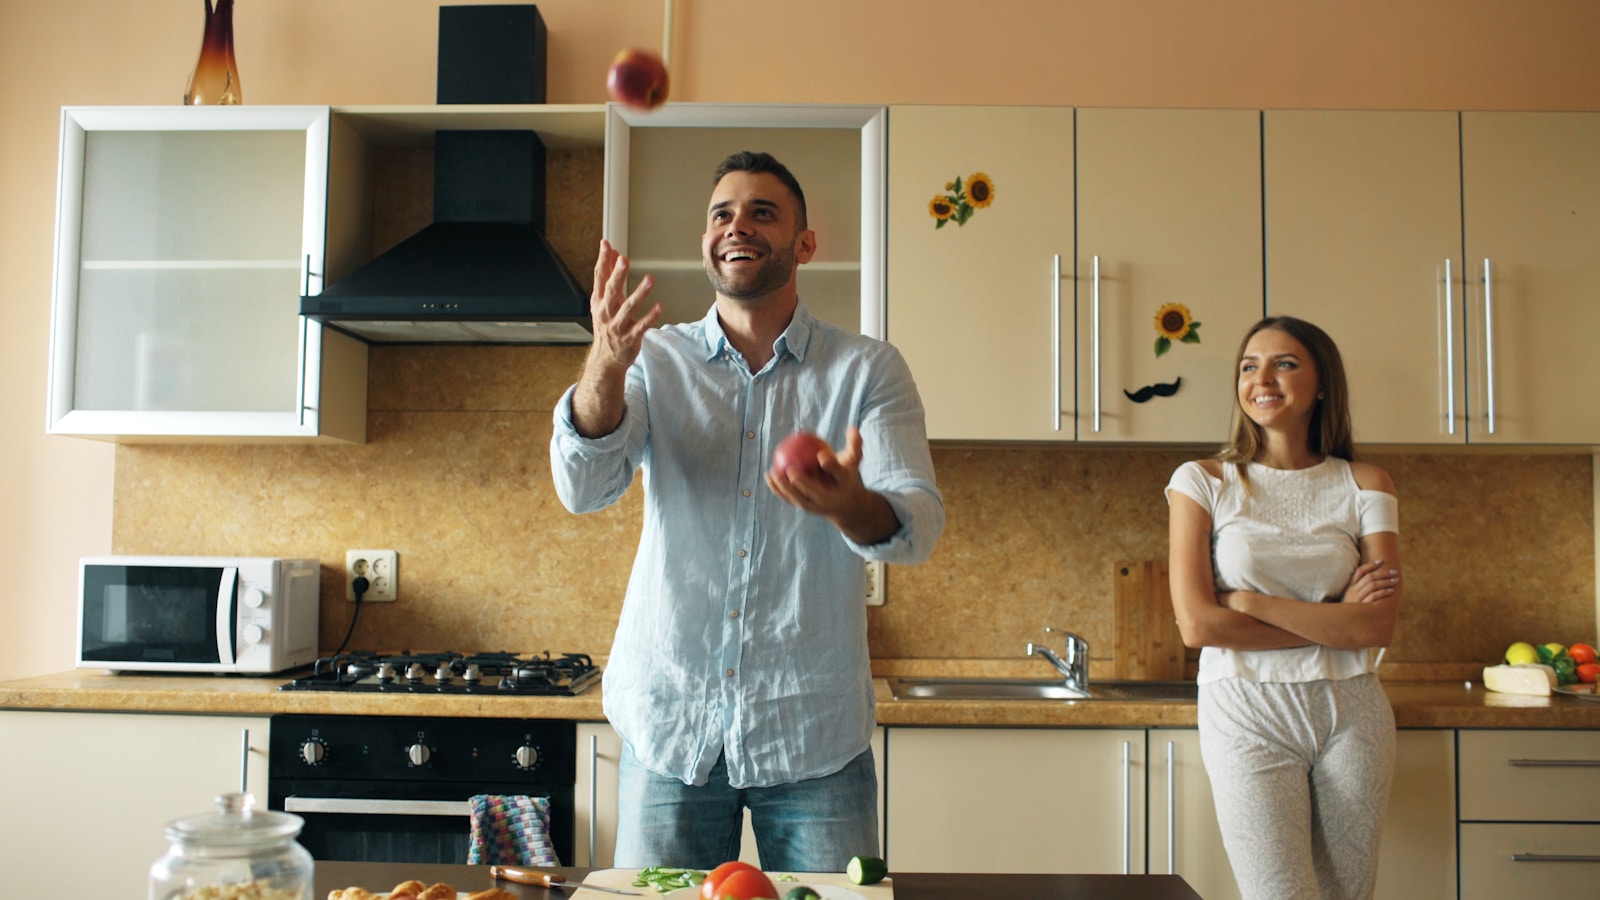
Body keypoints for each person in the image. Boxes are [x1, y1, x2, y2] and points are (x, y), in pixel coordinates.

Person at [549, 151, 944, 871]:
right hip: (670, 727)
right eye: (722, 213)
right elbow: (585, 486)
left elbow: (915, 525)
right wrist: (606, 359)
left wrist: (852, 505)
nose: (739, 225)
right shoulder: (651, 360)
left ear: (805, 244)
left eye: (764, 211)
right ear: (706, 240)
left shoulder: (867, 370)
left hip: (813, 736)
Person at [1165, 316, 1402, 900]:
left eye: (1285, 363)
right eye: (1249, 366)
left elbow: (1377, 625)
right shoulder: (1202, 482)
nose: (1262, 378)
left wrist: (1247, 603)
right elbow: (1198, 625)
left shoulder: (1367, 483)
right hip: (1245, 711)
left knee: (1348, 894)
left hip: (1352, 712)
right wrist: (1334, 621)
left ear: (1322, 384)